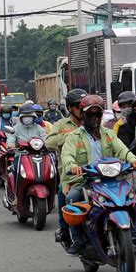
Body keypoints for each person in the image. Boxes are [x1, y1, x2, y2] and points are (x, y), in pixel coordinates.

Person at [61, 94, 136, 256]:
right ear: (82, 114)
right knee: (71, 198)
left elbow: (122, 150)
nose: (94, 117)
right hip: (86, 181)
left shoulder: (109, 134)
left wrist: (133, 160)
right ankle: (78, 241)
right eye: (90, 114)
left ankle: (135, 234)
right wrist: (73, 166)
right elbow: (67, 156)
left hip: (112, 180)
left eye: (98, 114)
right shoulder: (73, 137)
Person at [46, 88, 87, 244]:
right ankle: (67, 233)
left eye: (85, 106)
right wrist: (69, 136)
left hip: (94, 172)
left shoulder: (94, 122)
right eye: (79, 106)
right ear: (70, 108)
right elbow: (49, 142)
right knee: (66, 198)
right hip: (69, 174)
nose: (83, 109)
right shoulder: (61, 124)